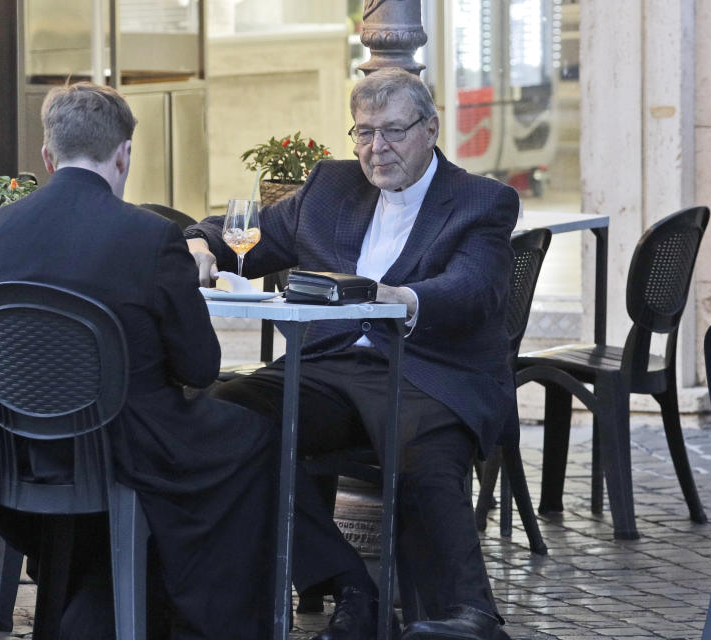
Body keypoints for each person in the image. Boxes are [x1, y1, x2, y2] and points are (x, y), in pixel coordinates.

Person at [185, 67, 519, 640]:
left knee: (422, 447)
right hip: (330, 365)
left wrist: (400, 297)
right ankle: (350, 586)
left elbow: (474, 288)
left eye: (391, 131)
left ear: (431, 128)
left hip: (427, 367)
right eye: (363, 133)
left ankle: (462, 615)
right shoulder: (329, 188)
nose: (375, 148)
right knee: (222, 419)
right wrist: (198, 242)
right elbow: (242, 234)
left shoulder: (479, 201)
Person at [0, 81, 276, 640]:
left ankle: (102, 605)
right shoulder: (151, 237)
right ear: (125, 153)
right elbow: (200, 369)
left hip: (13, 451)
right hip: (126, 450)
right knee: (254, 438)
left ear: (47, 155)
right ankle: (206, 622)